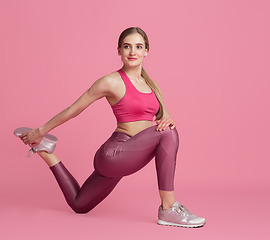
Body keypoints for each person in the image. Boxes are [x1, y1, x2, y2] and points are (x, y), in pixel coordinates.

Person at [14, 27, 206, 228]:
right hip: (114, 154)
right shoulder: (111, 81)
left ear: (146, 51)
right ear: (119, 51)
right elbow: (73, 109)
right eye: (127, 47)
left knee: (79, 204)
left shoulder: (153, 85)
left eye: (138, 47)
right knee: (168, 134)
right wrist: (40, 131)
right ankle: (168, 208)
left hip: (130, 155)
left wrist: (168, 119)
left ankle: (46, 150)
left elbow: (165, 118)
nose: (133, 52)